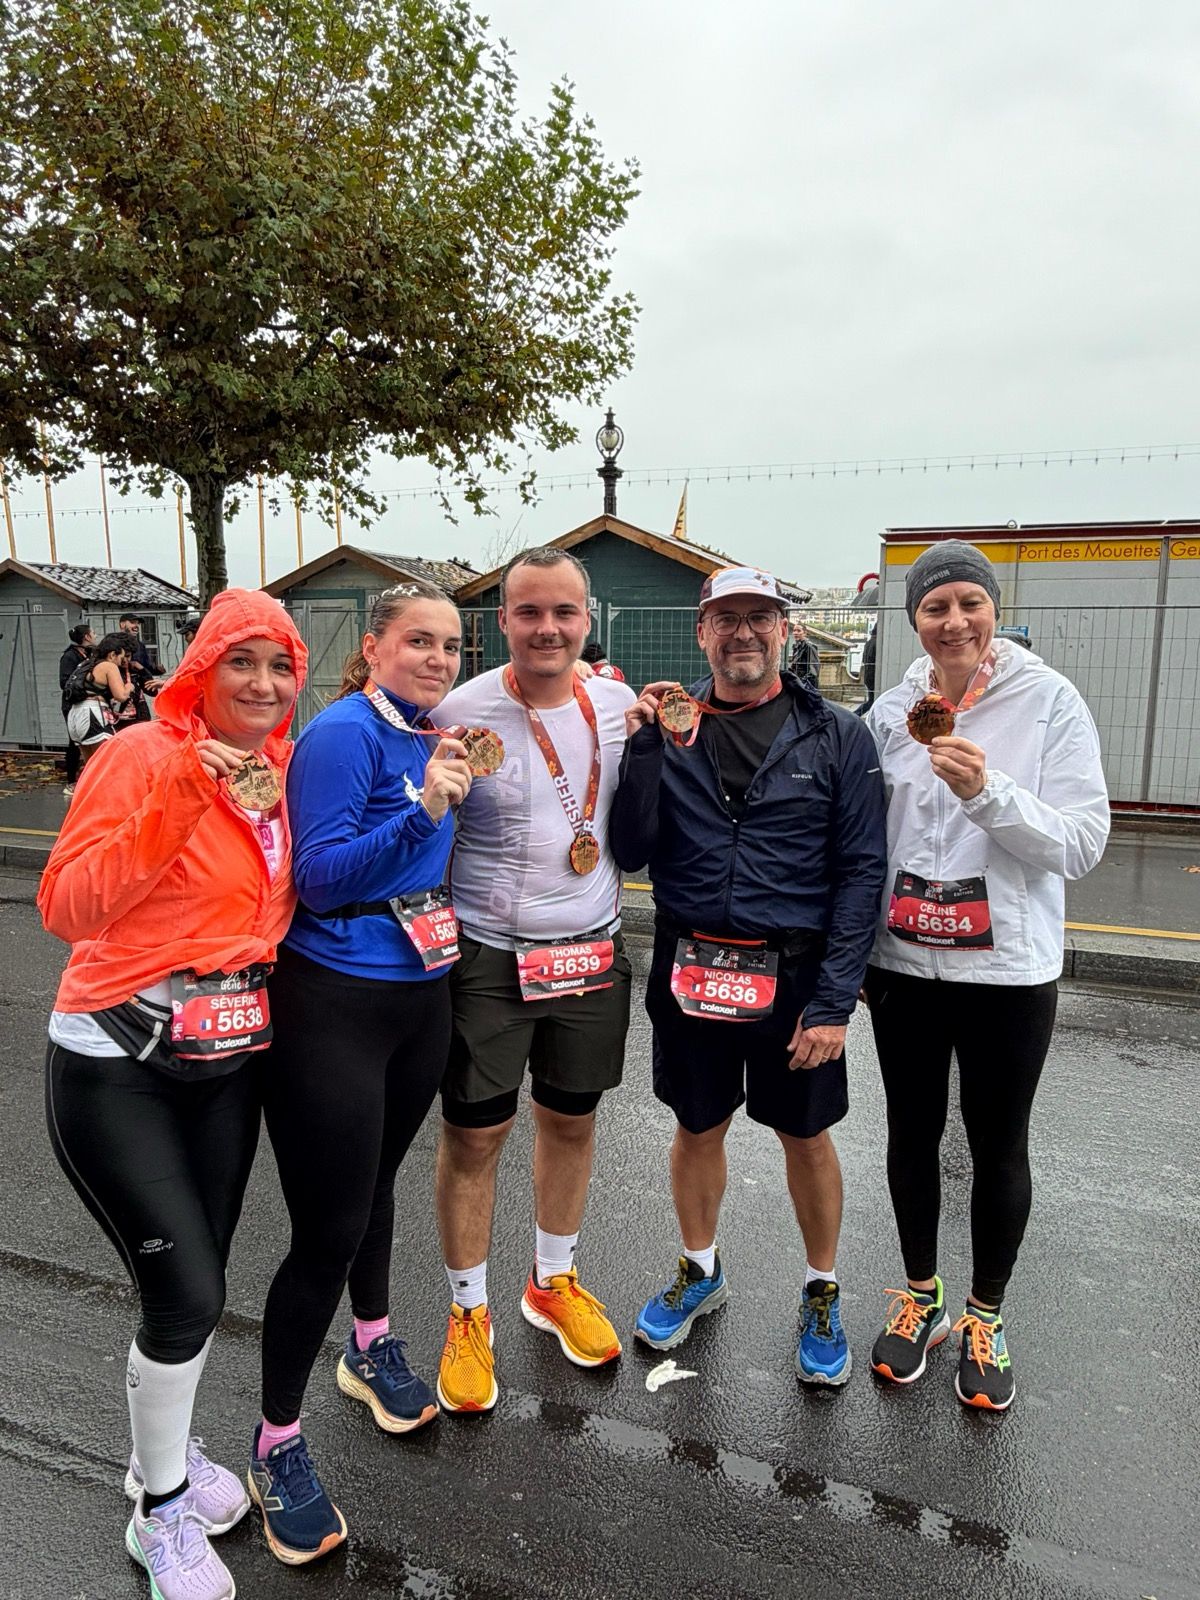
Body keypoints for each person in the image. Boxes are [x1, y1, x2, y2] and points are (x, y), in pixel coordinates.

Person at [38, 589, 307, 1600]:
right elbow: (67, 906)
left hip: (225, 1059)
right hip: (116, 1059)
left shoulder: (285, 769)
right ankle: (159, 1513)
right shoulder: (141, 755)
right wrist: (183, 798)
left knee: (198, 1288)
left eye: (281, 666)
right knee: (186, 1293)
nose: (264, 684)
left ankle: (164, 1451)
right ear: (201, 668)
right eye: (242, 661)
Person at [610, 565, 887, 1385]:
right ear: (702, 632)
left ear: (784, 631)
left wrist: (834, 1003)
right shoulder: (673, 724)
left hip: (796, 978)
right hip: (690, 965)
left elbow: (861, 872)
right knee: (697, 1126)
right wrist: (644, 748)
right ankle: (700, 1270)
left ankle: (821, 1290)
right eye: (726, 619)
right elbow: (631, 848)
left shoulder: (837, 735)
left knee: (806, 1135)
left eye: (759, 618)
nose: (743, 634)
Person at [250, 580, 472, 1564]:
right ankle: (276, 1442)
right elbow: (320, 877)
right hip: (333, 1001)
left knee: (378, 1183)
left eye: (451, 645)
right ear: (374, 646)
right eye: (418, 640)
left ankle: (370, 1343)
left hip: (421, 992)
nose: (437, 658)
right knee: (326, 1231)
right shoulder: (343, 734)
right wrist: (423, 811)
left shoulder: (434, 733)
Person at [864, 541, 1109, 1410]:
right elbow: (866, 838)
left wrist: (988, 792)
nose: (954, 620)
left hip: (1008, 973)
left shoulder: (1049, 701)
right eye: (935, 607)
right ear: (915, 621)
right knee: (911, 1134)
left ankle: (985, 1316)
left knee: (999, 1144)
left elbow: (1082, 842)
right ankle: (921, 1296)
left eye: (970, 602)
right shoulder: (892, 711)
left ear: (994, 610)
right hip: (904, 965)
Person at [431, 547, 635, 1412]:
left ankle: (552, 1282)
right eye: (528, 612)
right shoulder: (458, 710)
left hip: (590, 952)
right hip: (488, 956)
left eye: (563, 612)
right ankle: (467, 1311)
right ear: (503, 621)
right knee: (475, 1137)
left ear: (588, 619)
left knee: (572, 1123)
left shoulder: (620, 707)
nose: (547, 628)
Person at [62, 631, 135, 766]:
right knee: (106, 765)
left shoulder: (87, 664)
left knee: (91, 766)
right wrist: (129, 687)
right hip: (93, 714)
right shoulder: (109, 666)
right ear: (112, 654)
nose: (123, 661)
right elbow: (120, 696)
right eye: (122, 657)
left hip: (75, 715)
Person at [58, 622, 94, 793]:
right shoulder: (69, 656)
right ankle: (71, 779)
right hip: (73, 704)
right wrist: (85, 687)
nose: (95, 635)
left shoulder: (89, 654)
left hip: (87, 703)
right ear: (87, 636)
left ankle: (89, 775)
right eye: (93, 633)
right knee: (75, 742)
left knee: (89, 739)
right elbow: (64, 682)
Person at [118, 612, 162, 723]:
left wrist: (156, 670)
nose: (136, 626)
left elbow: (146, 666)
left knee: (143, 722)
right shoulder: (114, 642)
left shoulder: (140, 645)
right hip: (119, 690)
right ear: (122, 624)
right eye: (133, 622)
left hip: (136, 690)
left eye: (138, 623)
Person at [787, 619, 819, 689]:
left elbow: (814, 671)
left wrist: (801, 683)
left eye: (799, 631)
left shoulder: (809, 647)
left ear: (804, 633)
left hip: (805, 686)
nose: (795, 633)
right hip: (797, 684)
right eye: (794, 630)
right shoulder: (796, 646)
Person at [854, 622, 877, 717]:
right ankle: (855, 715)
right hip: (874, 676)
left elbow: (864, 660)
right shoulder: (877, 643)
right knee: (872, 701)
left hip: (868, 676)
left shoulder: (868, 643)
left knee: (872, 700)